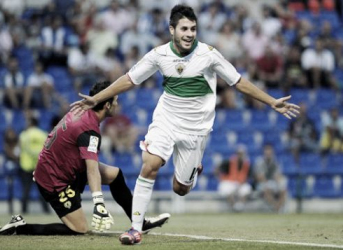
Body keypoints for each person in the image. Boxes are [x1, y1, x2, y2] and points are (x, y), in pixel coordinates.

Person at [70, 5, 300, 245]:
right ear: (172, 30)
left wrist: (272, 101)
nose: (190, 33)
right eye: (184, 29)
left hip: (196, 130)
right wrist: (98, 97)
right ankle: (135, 229)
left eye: (193, 29)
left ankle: (193, 170)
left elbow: (238, 82)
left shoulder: (208, 54)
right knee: (150, 163)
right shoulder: (159, 54)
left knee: (180, 188)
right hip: (166, 120)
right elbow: (129, 79)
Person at [0, 81, 170, 236]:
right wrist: (99, 202)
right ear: (108, 105)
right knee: (79, 229)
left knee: (115, 175)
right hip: (54, 180)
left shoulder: (82, 110)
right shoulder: (89, 131)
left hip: (62, 168)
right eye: (116, 101)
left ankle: (139, 222)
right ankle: (20, 227)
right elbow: (92, 169)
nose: (118, 105)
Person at [18, 116, 50, 214]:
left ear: (30, 123)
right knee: (42, 190)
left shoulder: (23, 135)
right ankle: (46, 211)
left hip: (26, 165)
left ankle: (24, 211)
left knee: (26, 190)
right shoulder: (44, 134)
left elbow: (20, 149)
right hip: (40, 165)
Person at [214, 144, 253, 212]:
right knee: (228, 190)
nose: (240, 155)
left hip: (241, 183)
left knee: (246, 189)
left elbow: (249, 177)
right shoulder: (228, 162)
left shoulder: (247, 164)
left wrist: (242, 182)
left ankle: (240, 206)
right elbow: (217, 170)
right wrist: (220, 178)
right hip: (230, 182)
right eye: (238, 154)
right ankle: (234, 207)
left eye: (241, 154)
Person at [254, 144, 287, 213]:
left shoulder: (275, 162)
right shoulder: (259, 162)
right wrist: (266, 183)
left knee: (283, 189)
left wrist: (278, 182)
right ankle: (276, 206)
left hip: (273, 182)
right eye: (267, 151)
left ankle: (279, 207)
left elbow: (278, 175)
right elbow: (259, 177)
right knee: (267, 189)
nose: (268, 153)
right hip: (262, 183)